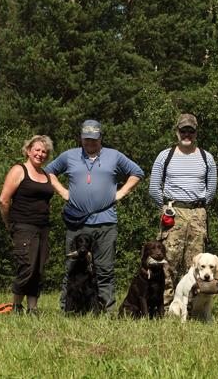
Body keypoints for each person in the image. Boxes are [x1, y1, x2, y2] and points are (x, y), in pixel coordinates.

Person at [45, 119, 144, 314]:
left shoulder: (114, 156)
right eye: (86, 139)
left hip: (106, 222)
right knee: (71, 268)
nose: (90, 143)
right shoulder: (70, 156)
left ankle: (105, 311)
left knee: (105, 269)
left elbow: (137, 172)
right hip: (77, 222)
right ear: (81, 138)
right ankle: (68, 310)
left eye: (94, 139)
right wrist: (63, 192)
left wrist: (121, 193)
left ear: (100, 138)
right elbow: (48, 172)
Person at [148, 113, 218, 308]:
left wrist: (198, 208)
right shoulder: (165, 156)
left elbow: (211, 190)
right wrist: (166, 207)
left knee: (197, 262)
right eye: (183, 130)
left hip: (197, 212)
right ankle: (164, 305)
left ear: (196, 133)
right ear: (176, 132)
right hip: (172, 212)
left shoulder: (207, 157)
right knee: (167, 260)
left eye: (191, 131)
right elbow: (154, 188)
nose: (187, 134)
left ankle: (194, 306)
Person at [0, 135, 69, 314]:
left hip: (42, 227)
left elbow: (65, 194)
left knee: (38, 267)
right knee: (27, 265)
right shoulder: (19, 170)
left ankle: (33, 308)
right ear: (28, 151)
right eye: (37, 150)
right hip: (22, 225)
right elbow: (4, 200)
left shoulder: (47, 175)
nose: (40, 154)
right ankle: (16, 305)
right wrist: (9, 223)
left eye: (44, 152)